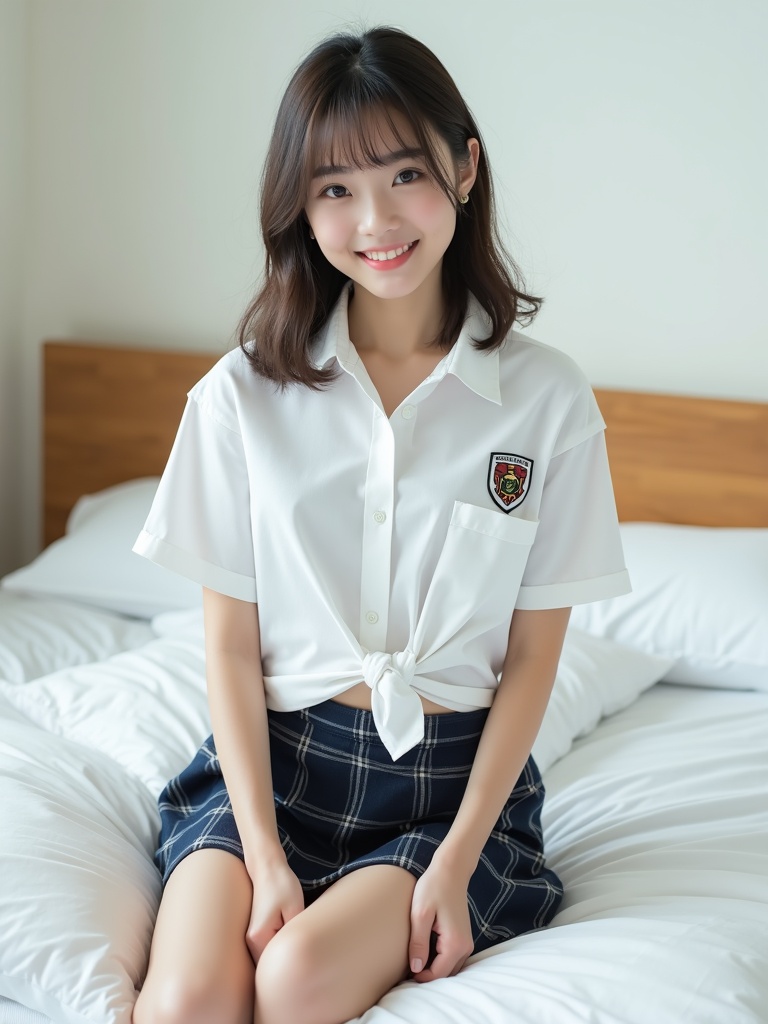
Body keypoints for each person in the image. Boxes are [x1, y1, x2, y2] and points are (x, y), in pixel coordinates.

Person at [131, 25, 630, 1024]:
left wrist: (458, 861)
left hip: (448, 793)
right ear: (299, 207)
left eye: (405, 173)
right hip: (272, 769)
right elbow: (228, 648)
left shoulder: (548, 402)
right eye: (334, 188)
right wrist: (263, 857)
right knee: (187, 1000)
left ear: (466, 166)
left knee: (296, 980)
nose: (376, 218)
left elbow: (533, 658)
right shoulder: (239, 399)